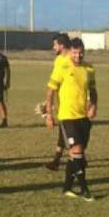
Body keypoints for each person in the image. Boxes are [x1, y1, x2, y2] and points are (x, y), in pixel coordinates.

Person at [45, 37, 97, 200]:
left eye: (81, 53)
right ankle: (84, 189)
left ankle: (67, 188)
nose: (78, 56)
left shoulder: (89, 69)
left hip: (83, 117)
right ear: (70, 52)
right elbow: (50, 91)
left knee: (76, 156)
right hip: (67, 117)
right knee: (77, 151)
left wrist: (94, 105)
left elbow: (93, 90)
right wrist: (49, 114)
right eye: (75, 53)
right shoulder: (62, 66)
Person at [43, 33, 71, 171]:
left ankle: (76, 160)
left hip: (71, 101)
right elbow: (55, 82)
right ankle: (57, 160)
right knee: (63, 131)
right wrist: (49, 103)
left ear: (62, 45)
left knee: (68, 133)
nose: (53, 47)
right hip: (61, 99)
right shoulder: (58, 59)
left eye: (55, 44)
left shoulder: (72, 59)